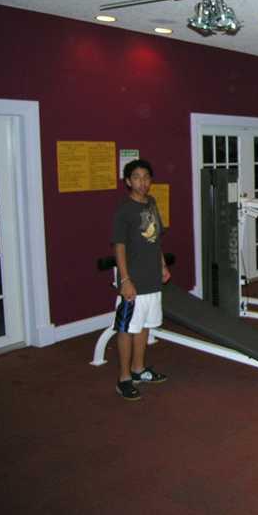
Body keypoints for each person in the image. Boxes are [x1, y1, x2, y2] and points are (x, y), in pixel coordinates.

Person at [111, 159, 171, 400]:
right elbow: (119, 246)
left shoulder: (152, 202)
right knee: (127, 329)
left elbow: (155, 239)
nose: (142, 182)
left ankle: (138, 369)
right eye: (136, 177)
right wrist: (125, 280)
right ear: (128, 181)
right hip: (133, 282)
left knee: (144, 326)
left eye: (146, 177)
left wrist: (163, 265)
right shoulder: (124, 210)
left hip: (152, 279)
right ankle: (124, 378)